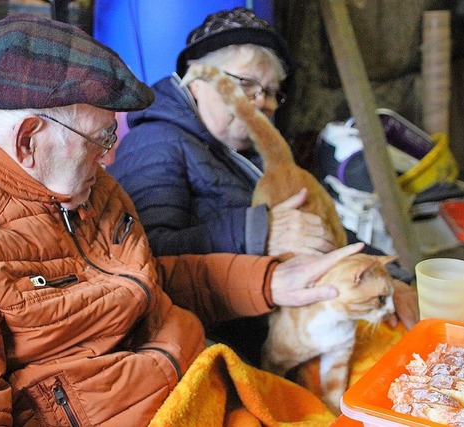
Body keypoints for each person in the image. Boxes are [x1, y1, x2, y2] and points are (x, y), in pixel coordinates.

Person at [0, 14, 365, 426]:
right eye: (101, 140)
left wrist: (273, 281)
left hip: (197, 380)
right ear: (28, 140)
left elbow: (149, 281)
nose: (111, 159)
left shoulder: (81, 180)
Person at [107, 7, 419, 359]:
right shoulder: (155, 143)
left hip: (313, 322)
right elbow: (144, 256)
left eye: (272, 92)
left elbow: (325, 231)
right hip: (234, 345)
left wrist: (392, 277)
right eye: (246, 85)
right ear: (196, 82)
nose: (263, 102)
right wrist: (256, 231)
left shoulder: (250, 155)